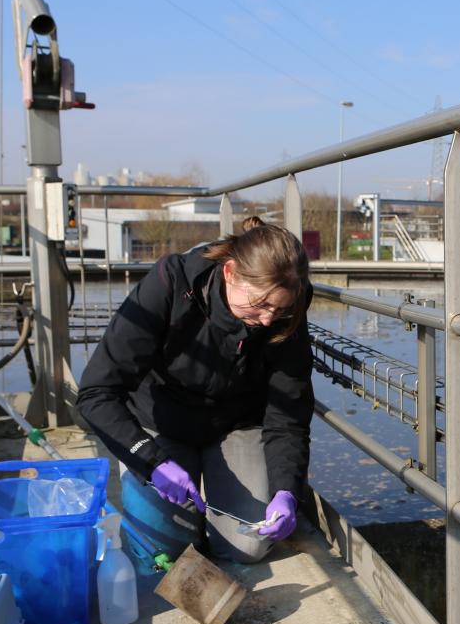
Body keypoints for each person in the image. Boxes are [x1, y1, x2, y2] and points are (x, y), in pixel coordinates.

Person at [76, 217, 314, 569]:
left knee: (248, 547)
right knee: (161, 554)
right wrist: (151, 461)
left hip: (234, 422)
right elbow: (96, 393)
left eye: (279, 309)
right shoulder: (171, 283)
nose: (267, 320)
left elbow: (288, 414)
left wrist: (286, 490)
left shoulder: (287, 311)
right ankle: (185, 517)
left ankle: (218, 519)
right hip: (161, 422)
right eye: (260, 305)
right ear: (230, 272)